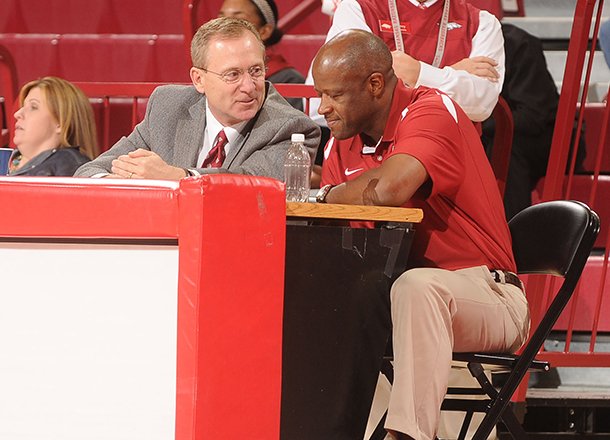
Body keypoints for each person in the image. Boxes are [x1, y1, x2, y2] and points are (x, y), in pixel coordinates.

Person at [312, 30, 529, 440]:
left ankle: (407, 436)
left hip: (489, 293)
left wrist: (326, 195)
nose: (323, 108)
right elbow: (338, 226)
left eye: (334, 95)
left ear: (375, 85)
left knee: (417, 286)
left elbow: (392, 189)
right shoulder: (342, 144)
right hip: (400, 298)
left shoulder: (432, 110)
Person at [75, 17, 320, 180]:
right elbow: (89, 172)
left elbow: (250, 184)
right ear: (198, 80)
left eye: (256, 71)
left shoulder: (290, 128)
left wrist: (177, 179)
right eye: (232, 74)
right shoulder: (167, 107)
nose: (249, 86)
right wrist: (127, 182)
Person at [307, 0, 504, 123]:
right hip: (371, 149)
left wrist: (417, 73)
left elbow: (481, 105)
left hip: (451, 151)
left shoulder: (483, 22)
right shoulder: (356, 8)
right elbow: (350, 97)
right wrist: (452, 72)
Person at [482, 24, 586, 220]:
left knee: (505, 146)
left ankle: (512, 236)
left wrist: (476, 124)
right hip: (499, 132)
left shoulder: (518, 43)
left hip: (552, 136)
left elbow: (531, 117)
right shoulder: (450, 49)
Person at [218, 0, 306, 110]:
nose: (225, 28)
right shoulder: (211, 73)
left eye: (237, 21)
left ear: (265, 31)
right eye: (221, 19)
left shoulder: (290, 80)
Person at [10, 76, 97, 176]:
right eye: (22, 107)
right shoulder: (8, 159)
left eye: (33, 107)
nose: (17, 114)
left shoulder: (69, 165)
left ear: (60, 122)